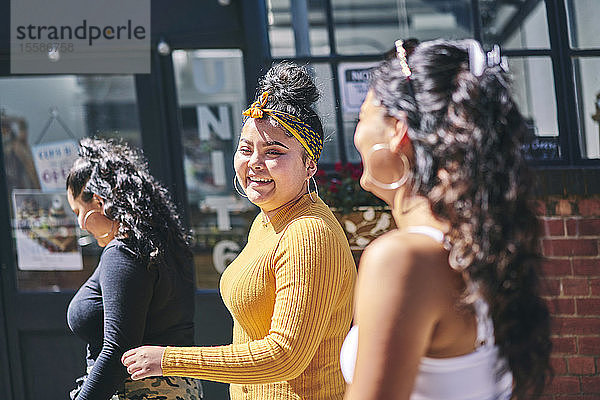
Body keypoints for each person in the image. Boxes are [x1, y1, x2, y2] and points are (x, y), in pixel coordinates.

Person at [122, 62, 357, 400]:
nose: (254, 163)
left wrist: (168, 360)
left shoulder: (308, 234)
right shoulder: (268, 219)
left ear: (310, 165)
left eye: (274, 152)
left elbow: (284, 356)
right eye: (246, 149)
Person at [340, 39, 552, 400]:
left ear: (397, 130)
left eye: (363, 117)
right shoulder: (478, 248)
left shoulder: (404, 259)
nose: (356, 134)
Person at [66, 138, 202, 400]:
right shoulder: (167, 246)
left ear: (98, 201)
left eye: (78, 211)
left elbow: (118, 350)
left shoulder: (123, 252)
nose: (81, 225)